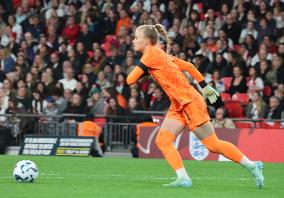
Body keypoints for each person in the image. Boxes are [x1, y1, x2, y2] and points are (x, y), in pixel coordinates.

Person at [126, 24, 264, 188]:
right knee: (163, 140)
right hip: (179, 104)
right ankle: (183, 178)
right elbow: (190, 66)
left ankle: (252, 165)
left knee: (213, 145)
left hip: (190, 102)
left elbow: (129, 80)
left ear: (147, 41)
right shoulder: (160, 54)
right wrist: (204, 86)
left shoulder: (149, 55)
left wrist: (146, 71)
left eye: (136, 37)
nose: (133, 41)